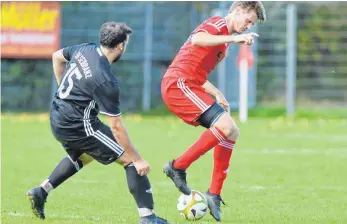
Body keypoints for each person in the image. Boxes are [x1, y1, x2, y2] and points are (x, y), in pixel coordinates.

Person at [27, 21, 169, 224]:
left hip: (57, 116)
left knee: (84, 156)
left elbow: (57, 57)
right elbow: (116, 127)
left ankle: (41, 191)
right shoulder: (105, 79)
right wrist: (137, 159)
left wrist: (64, 91)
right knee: (128, 159)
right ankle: (148, 218)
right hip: (78, 124)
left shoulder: (86, 49)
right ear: (120, 46)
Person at [161, 1, 266, 222]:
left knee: (232, 131)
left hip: (189, 85)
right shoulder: (218, 23)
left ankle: (214, 194)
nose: (248, 26)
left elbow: (199, 76)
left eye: (252, 24)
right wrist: (232, 38)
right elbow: (197, 39)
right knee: (225, 126)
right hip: (177, 85)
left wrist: (217, 93)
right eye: (248, 20)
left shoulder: (224, 43)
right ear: (237, 10)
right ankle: (177, 166)